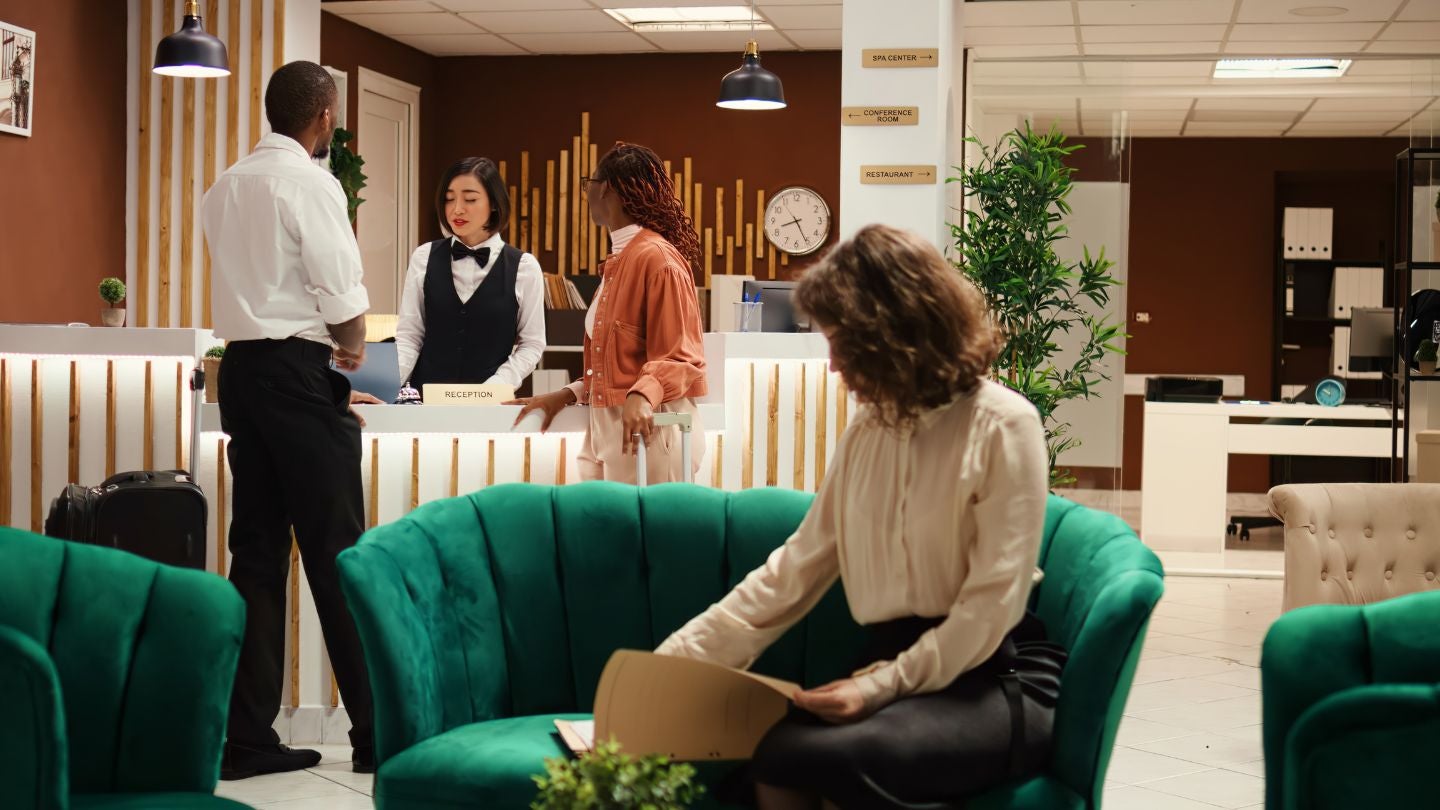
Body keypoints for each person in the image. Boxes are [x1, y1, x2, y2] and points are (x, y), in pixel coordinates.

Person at [655, 225, 1064, 809]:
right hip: (887, 662)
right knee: (765, 759)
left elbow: (990, 608)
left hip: (990, 674)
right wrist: (672, 669)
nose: (833, 364)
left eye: (842, 340)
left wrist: (877, 687)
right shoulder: (866, 431)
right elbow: (792, 572)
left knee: (804, 759)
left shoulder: (1005, 424)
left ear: (898, 331)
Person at [202, 60, 375, 779]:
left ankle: (245, 736)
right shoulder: (312, 182)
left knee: (258, 556)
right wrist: (355, 348)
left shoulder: (224, 186)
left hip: (240, 373)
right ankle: (379, 733)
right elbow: (340, 288)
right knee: (341, 557)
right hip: (301, 377)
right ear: (325, 117)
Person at [510, 142, 706, 483]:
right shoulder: (620, 262)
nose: (587, 194)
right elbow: (617, 361)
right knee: (599, 534)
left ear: (607, 189)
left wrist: (643, 395)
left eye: (590, 184)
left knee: (650, 536)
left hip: (651, 429)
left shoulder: (658, 259)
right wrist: (568, 393)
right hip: (606, 429)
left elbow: (682, 356)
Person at [395, 157, 545, 391]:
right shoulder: (423, 257)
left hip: (490, 406)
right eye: (449, 199)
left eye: (470, 199)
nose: (457, 209)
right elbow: (409, 336)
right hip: (425, 404)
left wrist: (495, 387)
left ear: (494, 203)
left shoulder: (524, 268)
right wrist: (389, 385)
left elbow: (532, 344)